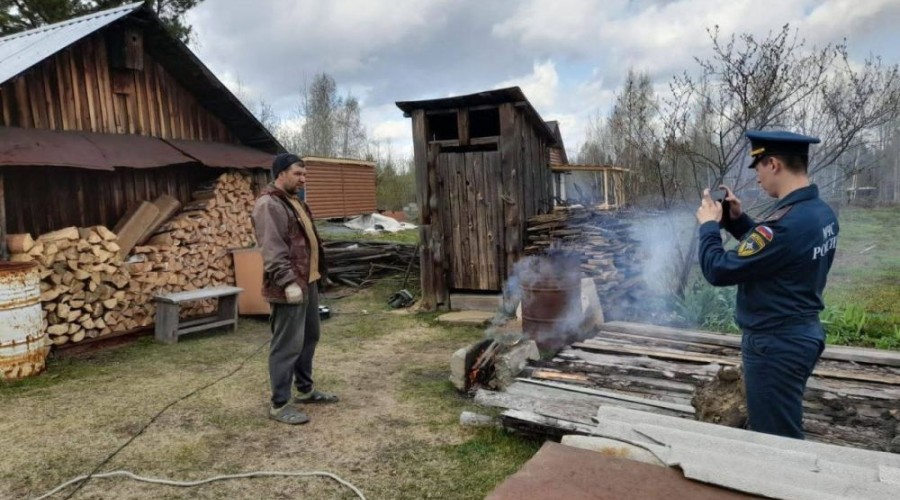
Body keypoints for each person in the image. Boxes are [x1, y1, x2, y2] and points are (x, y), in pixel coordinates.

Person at [695, 130, 839, 439]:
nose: (757, 178)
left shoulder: (786, 224)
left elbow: (718, 270)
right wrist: (737, 220)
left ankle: (789, 485)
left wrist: (709, 225)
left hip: (776, 345)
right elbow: (776, 256)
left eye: (758, 167)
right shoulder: (820, 213)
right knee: (779, 424)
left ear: (773, 164)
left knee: (776, 440)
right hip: (800, 333)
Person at [252, 153, 338, 425]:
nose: (303, 179)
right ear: (280, 174)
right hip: (289, 285)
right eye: (297, 174)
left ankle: (305, 390)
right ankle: (279, 403)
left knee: (309, 337)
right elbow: (273, 248)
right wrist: (288, 281)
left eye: (304, 175)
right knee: (286, 345)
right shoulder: (269, 204)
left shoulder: (294, 202)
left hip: (308, 282)